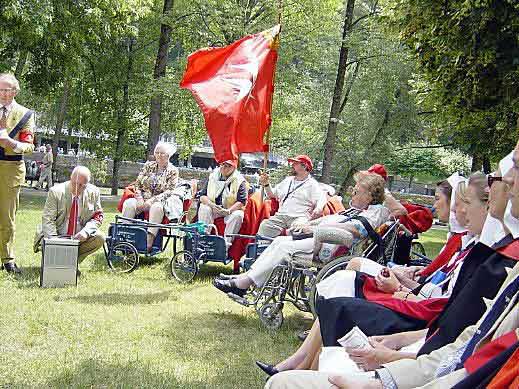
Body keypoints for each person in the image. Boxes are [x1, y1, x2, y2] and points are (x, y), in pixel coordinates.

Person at [265, 143, 519, 389]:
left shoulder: (498, 259)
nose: (457, 210)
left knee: (341, 292)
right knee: (337, 279)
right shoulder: (480, 249)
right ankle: (303, 361)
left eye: (463, 203)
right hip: (425, 322)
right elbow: (466, 338)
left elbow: (458, 337)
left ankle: (301, 361)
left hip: (423, 314)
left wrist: (403, 293)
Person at [213, 172, 389, 297]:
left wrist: (313, 229)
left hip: (331, 244)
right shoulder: (357, 209)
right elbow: (335, 220)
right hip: (323, 238)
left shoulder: (376, 212)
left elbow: (357, 229)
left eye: (356, 190)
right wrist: (308, 224)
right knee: (279, 241)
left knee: (283, 246)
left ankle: (244, 283)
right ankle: (246, 278)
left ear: (369, 195)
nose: (353, 193)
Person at [34, 166, 104, 272]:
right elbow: (48, 219)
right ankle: (58, 260)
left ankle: (72, 263)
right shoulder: (55, 191)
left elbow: (98, 216)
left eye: (81, 185)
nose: (77, 188)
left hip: (79, 236)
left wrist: (86, 232)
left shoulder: (94, 192)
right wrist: (55, 242)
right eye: (74, 183)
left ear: (87, 184)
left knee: (100, 237)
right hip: (57, 234)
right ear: (70, 178)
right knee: (50, 243)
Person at [0, 73, 35, 274]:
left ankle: (7, 258)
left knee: (7, 217)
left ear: (15, 91)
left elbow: (29, 146)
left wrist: (11, 143)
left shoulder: (25, 114)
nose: (3, 94)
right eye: (0, 90)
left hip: (11, 169)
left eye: (7, 90)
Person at [121, 141, 179, 251]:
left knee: (156, 208)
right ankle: (124, 237)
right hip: (142, 198)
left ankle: (149, 241)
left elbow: (170, 191)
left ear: (168, 155)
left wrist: (151, 201)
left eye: (162, 153)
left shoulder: (173, 171)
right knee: (129, 204)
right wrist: (139, 199)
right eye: (157, 152)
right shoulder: (148, 166)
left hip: (160, 200)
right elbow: (137, 184)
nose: (159, 155)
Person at [257, 155, 327, 238]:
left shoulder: (312, 184)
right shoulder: (287, 180)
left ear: (304, 166)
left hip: (299, 217)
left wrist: (318, 208)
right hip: (281, 216)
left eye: (295, 163)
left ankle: (287, 243)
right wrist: (266, 184)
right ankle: (262, 249)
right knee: (265, 226)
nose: (292, 165)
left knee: (299, 229)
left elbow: (322, 198)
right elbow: (271, 194)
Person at [197, 159, 247, 248]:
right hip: (213, 208)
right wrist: (211, 205)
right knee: (204, 208)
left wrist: (228, 211)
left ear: (234, 168)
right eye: (223, 165)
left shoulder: (240, 180)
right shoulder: (212, 176)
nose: (224, 168)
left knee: (238, 215)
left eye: (228, 166)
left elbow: (242, 201)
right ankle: (202, 242)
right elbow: (202, 196)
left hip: (229, 211)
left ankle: (225, 246)